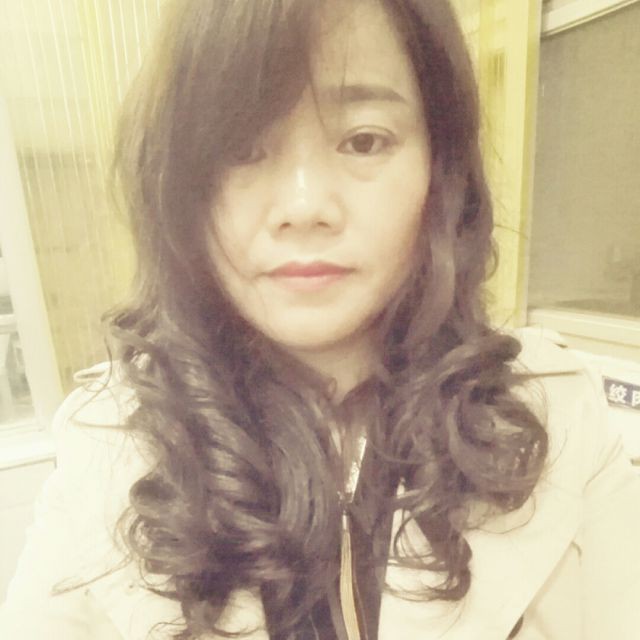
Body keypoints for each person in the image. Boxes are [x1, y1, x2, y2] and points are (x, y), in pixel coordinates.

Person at [1, 0, 640, 638]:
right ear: (182, 186)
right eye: (242, 148)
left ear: (438, 166)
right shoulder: (110, 443)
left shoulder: (556, 413)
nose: (305, 205)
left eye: (364, 140)